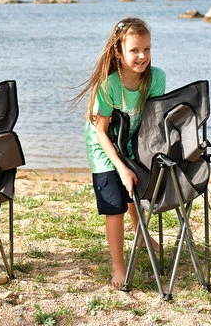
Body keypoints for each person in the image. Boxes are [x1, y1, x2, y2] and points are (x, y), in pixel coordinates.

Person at [72, 17, 166, 287]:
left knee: (133, 188)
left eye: (147, 49)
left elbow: (152, 121)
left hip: (130, 137)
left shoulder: (157, 78)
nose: (142, 56)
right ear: (119, 52)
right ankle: (118, 267)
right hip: (102, 143)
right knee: (115, 204)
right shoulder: (108, 85)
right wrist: (121, 167)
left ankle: (140, 232)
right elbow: (101, 132)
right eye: (134, 50)